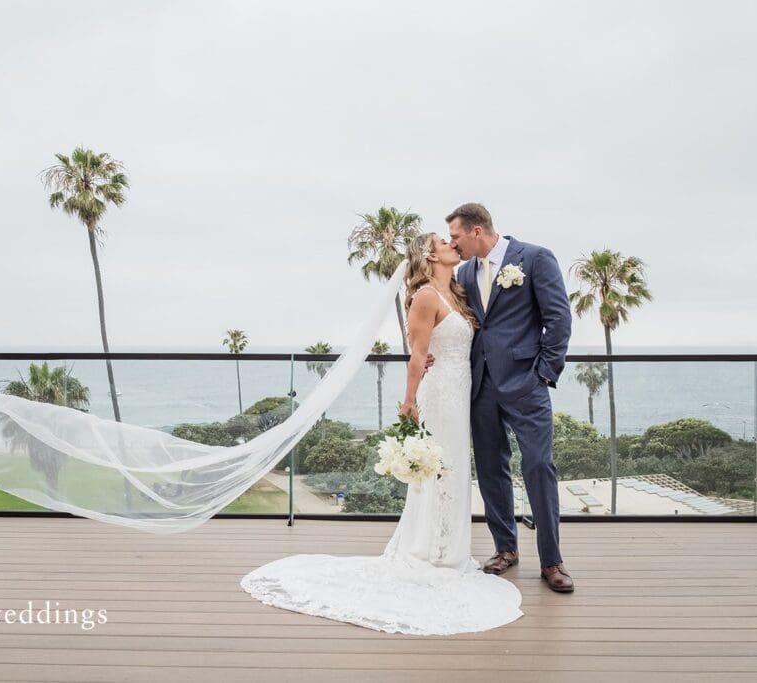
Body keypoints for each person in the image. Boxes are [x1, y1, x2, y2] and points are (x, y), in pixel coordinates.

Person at [240, 233, 523, 635]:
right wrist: (409, 403)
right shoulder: (425, 296)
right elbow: (418, 355)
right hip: (439, 393)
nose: (451, 244)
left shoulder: (457, 292)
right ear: (430, 255)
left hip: (461, 394)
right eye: (444, 241)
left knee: (456, 470)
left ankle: (449, 549)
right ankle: (432, 550)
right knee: (440, 470)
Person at [446, 202, 574, 593]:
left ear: (477, 231)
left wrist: (544, 373)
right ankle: (505, 548)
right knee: (490, 469)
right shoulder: (465, 272)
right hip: (480, 386)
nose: (453, 243)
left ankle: (551, 561)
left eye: (456, 236)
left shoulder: (534, 258)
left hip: (527, 385)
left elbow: (559, 318)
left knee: (538, 466)